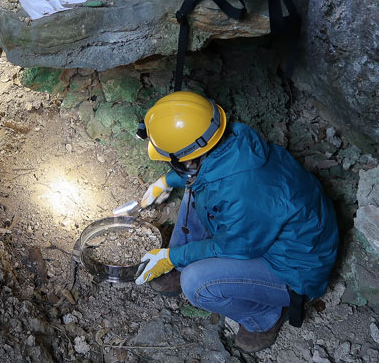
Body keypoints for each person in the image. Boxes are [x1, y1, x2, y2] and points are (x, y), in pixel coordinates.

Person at [134, 91, 339, 353]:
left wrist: (173, 256)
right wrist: (167, 181)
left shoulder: (243, 194)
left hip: (296, 271)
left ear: (189, 158)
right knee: (196, 186)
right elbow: (203, 173)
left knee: (195, 283)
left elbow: (234, 247)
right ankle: (180, 260)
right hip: (281, 234)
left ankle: (264, 318)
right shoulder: (231, 139)